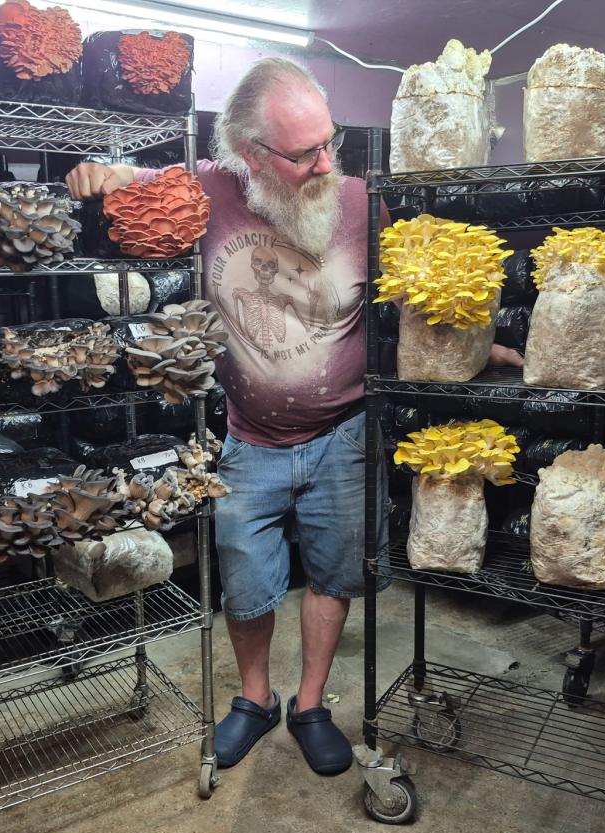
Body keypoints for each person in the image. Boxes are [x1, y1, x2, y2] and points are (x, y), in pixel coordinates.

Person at [67, 58, 524, 776]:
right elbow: (129, 180)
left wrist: (475, 344)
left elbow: (409, 294)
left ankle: (311, 705)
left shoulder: (361, 203)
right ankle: (256, 698)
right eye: (304, 152)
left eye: (329, 143)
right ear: (249, 152)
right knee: (245, 581)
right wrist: (100, 172)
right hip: (248, 440)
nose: (325, 164)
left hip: (344, 435)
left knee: (335, 575)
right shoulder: (207, 190)